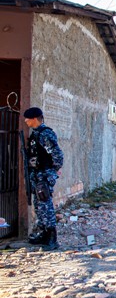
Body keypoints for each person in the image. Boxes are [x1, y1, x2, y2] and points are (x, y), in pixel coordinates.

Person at [23, 107, 64, 250]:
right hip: (37, 174)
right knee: (39, 206)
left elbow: (57, 155)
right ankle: (44, 234)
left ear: (35, 119)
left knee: (45, 205)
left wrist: (53, 171)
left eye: (27, 119)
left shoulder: (45, 134)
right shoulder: (36, 134)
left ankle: (52, 238)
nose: (26, 121)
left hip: (44, 174)